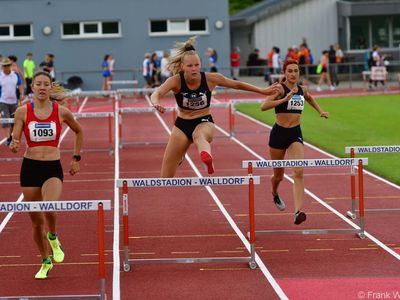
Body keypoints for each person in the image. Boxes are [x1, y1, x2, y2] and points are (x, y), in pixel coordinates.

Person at [150, 37, 279, 178]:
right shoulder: (175, 81)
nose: (194, 69)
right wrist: (156, 103)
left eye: (196, 65)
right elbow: (157, 92)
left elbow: (237, 85)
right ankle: (180, 156)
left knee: (198, 136)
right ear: (182, 67)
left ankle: (207, 158)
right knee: (165, 177)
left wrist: (263, 90)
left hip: (203, 121)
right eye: (190, 66)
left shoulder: (211, 78)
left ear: (200, 65)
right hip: (182, 125)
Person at [9, 71, 83, 279]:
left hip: (52, 167)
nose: (42, 87)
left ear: (51, 87)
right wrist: (14, 144)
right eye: (38, 84)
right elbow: (15, 137)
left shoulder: (62, 112)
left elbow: (79, 131)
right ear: (32, 88)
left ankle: (53, 236)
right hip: (30, 168)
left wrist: (76, 158)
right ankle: (45, 261)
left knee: (49, 207)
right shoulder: (22, 112)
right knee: (35, 221)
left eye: (45, 84)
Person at [260, 59, 329, 225]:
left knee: (298, 171)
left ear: (299, 73)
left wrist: (320, 111)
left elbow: (310, 98)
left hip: (295, 134)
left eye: (295, 71)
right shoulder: (279, 88)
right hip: (278, 134)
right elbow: (264, 106)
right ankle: (274, 192)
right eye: (289, 71)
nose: (292, 74)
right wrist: (283, 99)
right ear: (284, 73)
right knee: (279, 175)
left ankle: (298, 212)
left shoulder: (302, 89)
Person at [0, 57, 24, 145]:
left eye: (7, 65)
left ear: (10, 65)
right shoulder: (0, 76)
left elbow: (20, 84)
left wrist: (21, 94)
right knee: (6, 120)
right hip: (3, 102)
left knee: (13, 121)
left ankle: (10, 135)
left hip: (14, 102)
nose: (6, 67)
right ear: (2, 67)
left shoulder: (15, 75)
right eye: (4, 66)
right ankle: (8, 138)